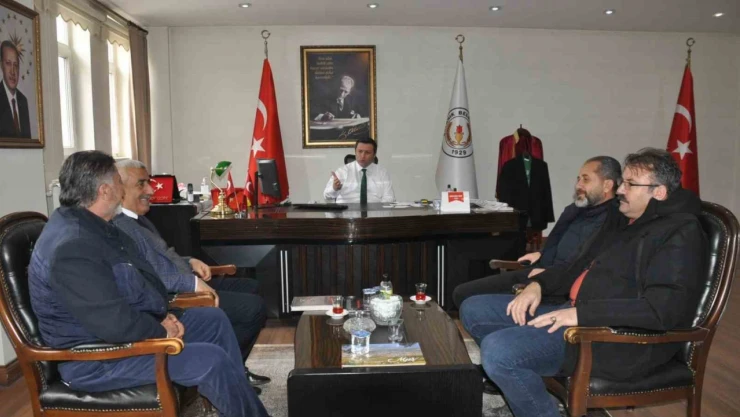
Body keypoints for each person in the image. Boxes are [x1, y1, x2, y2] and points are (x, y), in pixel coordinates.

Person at [460, 148, 706, 417]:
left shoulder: (680, 232)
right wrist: (538, 285)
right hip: (578, 311)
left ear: (658, 192)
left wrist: (579, 315)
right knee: (474, 309)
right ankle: (527, 382)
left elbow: (662, 310)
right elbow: (576, 265)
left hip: (615, 338)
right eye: (622, 182)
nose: (620, 190)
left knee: (499, 351)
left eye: (630, 184)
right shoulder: (624, 219)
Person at [28, 151, 268, 417]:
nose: (122, 190)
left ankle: (237, 403)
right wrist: (160, 329)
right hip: (98, 360)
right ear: (104, 191)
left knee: (213, 320)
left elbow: (138, 281)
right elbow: (112, 322)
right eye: (119, 182)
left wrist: (162, 314)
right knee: (211, 360)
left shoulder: (95, 227)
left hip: (123, 335)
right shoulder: (73, 246)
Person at [112, 159, 271, 390]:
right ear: (119, 188)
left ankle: (235, 366)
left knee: (251, 286)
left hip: (185, 281)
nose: (151, 190)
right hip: (176, 296)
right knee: (253, 308)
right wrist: (192, 283)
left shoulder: (139, 218)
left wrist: (189, 261)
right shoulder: (121, 227)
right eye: (141, 184)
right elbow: (148, 276)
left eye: (149, 183)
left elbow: (161, 257)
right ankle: (230, 373)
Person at [452, 156, 622, 308]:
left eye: (586, 179)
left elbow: (583, 263)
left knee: (470, 301)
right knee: (461, 293)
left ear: (607, 185)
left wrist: (547, 276)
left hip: (557, 286)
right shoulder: (575, 210)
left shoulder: (612, 221)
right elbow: (556, 242)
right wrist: (542, 253)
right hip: (540, 271)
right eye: (578, 179)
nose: (578, 185)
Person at [323, 137, 395, 203]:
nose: (363, 156)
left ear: (374, 155)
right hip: (347, 211)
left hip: (374, 210)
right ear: (355, 152)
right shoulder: (342, 171)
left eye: (367, 152)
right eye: (360, 151)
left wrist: (378, 209)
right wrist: (334, 188)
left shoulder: (382, 172)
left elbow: (390, 197)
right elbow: (326, 196)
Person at [0, 40, 31, 138]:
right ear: (1, 65)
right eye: (8, 63)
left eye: (16, 65)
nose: (13, 71)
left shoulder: (23, 101)